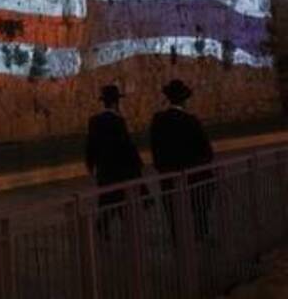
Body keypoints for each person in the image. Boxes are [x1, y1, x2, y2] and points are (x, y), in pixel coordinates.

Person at [150, 79, 215, 241]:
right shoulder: (191, 121)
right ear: (184, 100)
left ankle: (176, 237)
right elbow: (206, 150)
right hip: (193, 174)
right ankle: (200, 234)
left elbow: (155, 148)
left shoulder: (158, 120)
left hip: (168, 174)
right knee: (198, 207)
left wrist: (162, 167)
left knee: (172, 209)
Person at [85, 84, 144, 239]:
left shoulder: (94, 121)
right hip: (120, 169)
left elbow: (91, 145)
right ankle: (125, 231)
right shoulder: (119, 121)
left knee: (107, 200)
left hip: (104, 169)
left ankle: (104, 228)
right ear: (116, 103)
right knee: (121, 199)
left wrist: (91, 166)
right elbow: (126, 146)